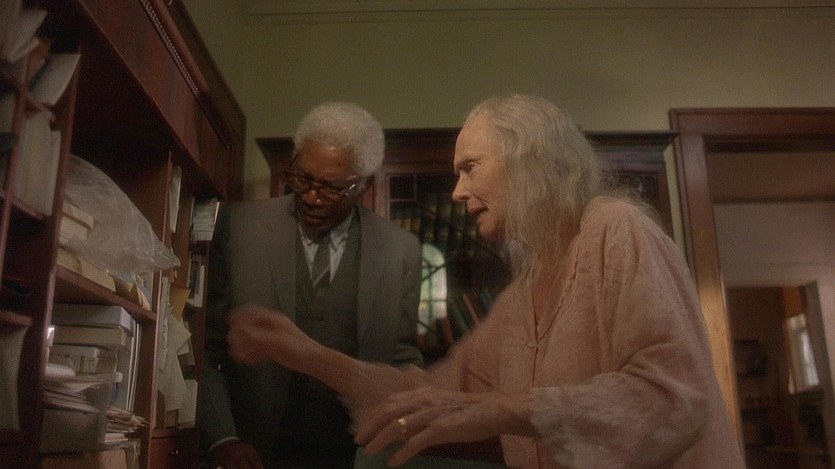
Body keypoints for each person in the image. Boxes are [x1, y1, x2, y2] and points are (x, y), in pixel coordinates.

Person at [224, 94, 746, 468]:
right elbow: (427, 396)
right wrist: (304, 354)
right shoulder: (519, 298)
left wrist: (499, 408)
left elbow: (674, 398)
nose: (456, 191)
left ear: (529, 160)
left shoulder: (615, 227)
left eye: (470, 167)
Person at [200, 102, 424, 469]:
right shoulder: (239, 228)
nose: (310, 196)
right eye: (302, 179)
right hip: (253, 455)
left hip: (355, 457)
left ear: (364, 185)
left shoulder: (401, 251)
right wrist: (222, 438)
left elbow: (402, 361)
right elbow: (206, 349)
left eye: (331, 188)